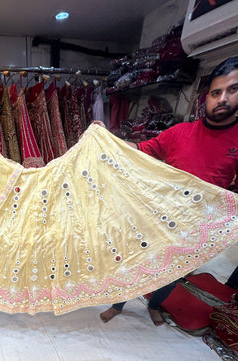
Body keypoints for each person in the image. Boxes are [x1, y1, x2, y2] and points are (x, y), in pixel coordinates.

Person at [100, 56, 238, 325]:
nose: (222, 99)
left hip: (198, 224)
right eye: (215, 92)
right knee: (136, 262)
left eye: (232, 90)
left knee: (174, 271)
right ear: (205, 97)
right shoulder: (179, 133)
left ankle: (154, 304)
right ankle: (118, 305)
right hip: (159, 217)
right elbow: (139, 151)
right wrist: (106, 138)